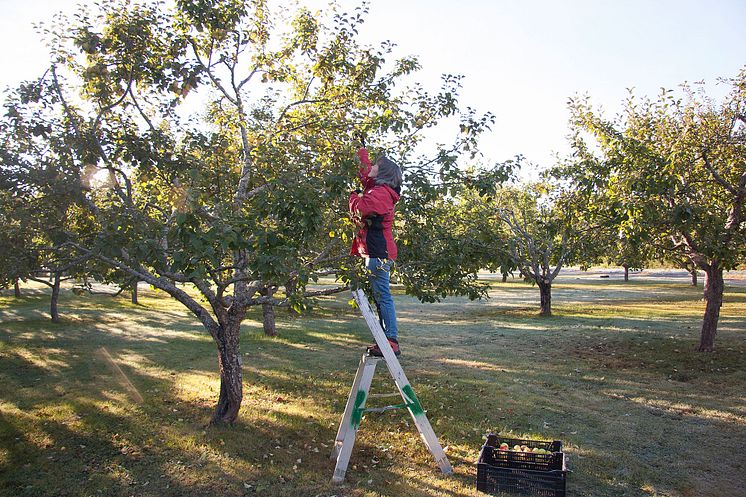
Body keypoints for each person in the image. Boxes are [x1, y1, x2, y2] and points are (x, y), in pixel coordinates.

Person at [348, 142, 403, 356]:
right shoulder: (377, 188)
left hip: (379, 254)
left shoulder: (380, 193)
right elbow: (365, 174)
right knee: (380, 296)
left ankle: (390, 340)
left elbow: (362, 208)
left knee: (383, 296)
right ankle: (384, 339)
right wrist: (360, 150)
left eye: (376, 166)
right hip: (376, 253)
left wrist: (353, 195)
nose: (371, 168)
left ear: (384, 173)